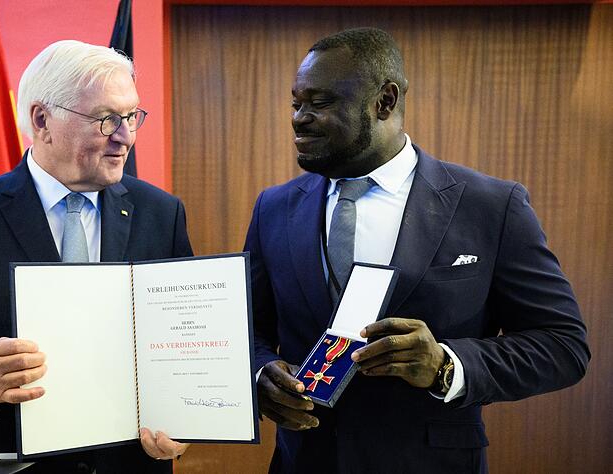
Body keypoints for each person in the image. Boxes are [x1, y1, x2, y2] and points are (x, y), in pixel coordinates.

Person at [246, 27, 590, 473]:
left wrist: (447, 365)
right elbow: (249, 331)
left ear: (384, 101)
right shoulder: (274, 207)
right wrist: (261, 375)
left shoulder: (491, 206)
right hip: (304, 461)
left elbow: (563, 346)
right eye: (296, 103)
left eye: (321, 103)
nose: (299, 118)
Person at [0, 40, 191, 473]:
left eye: (131, 117)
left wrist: (183, 422)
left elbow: (181, 349)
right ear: (42, 119)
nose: (125, 136)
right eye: (107, 119)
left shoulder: (162, 213)